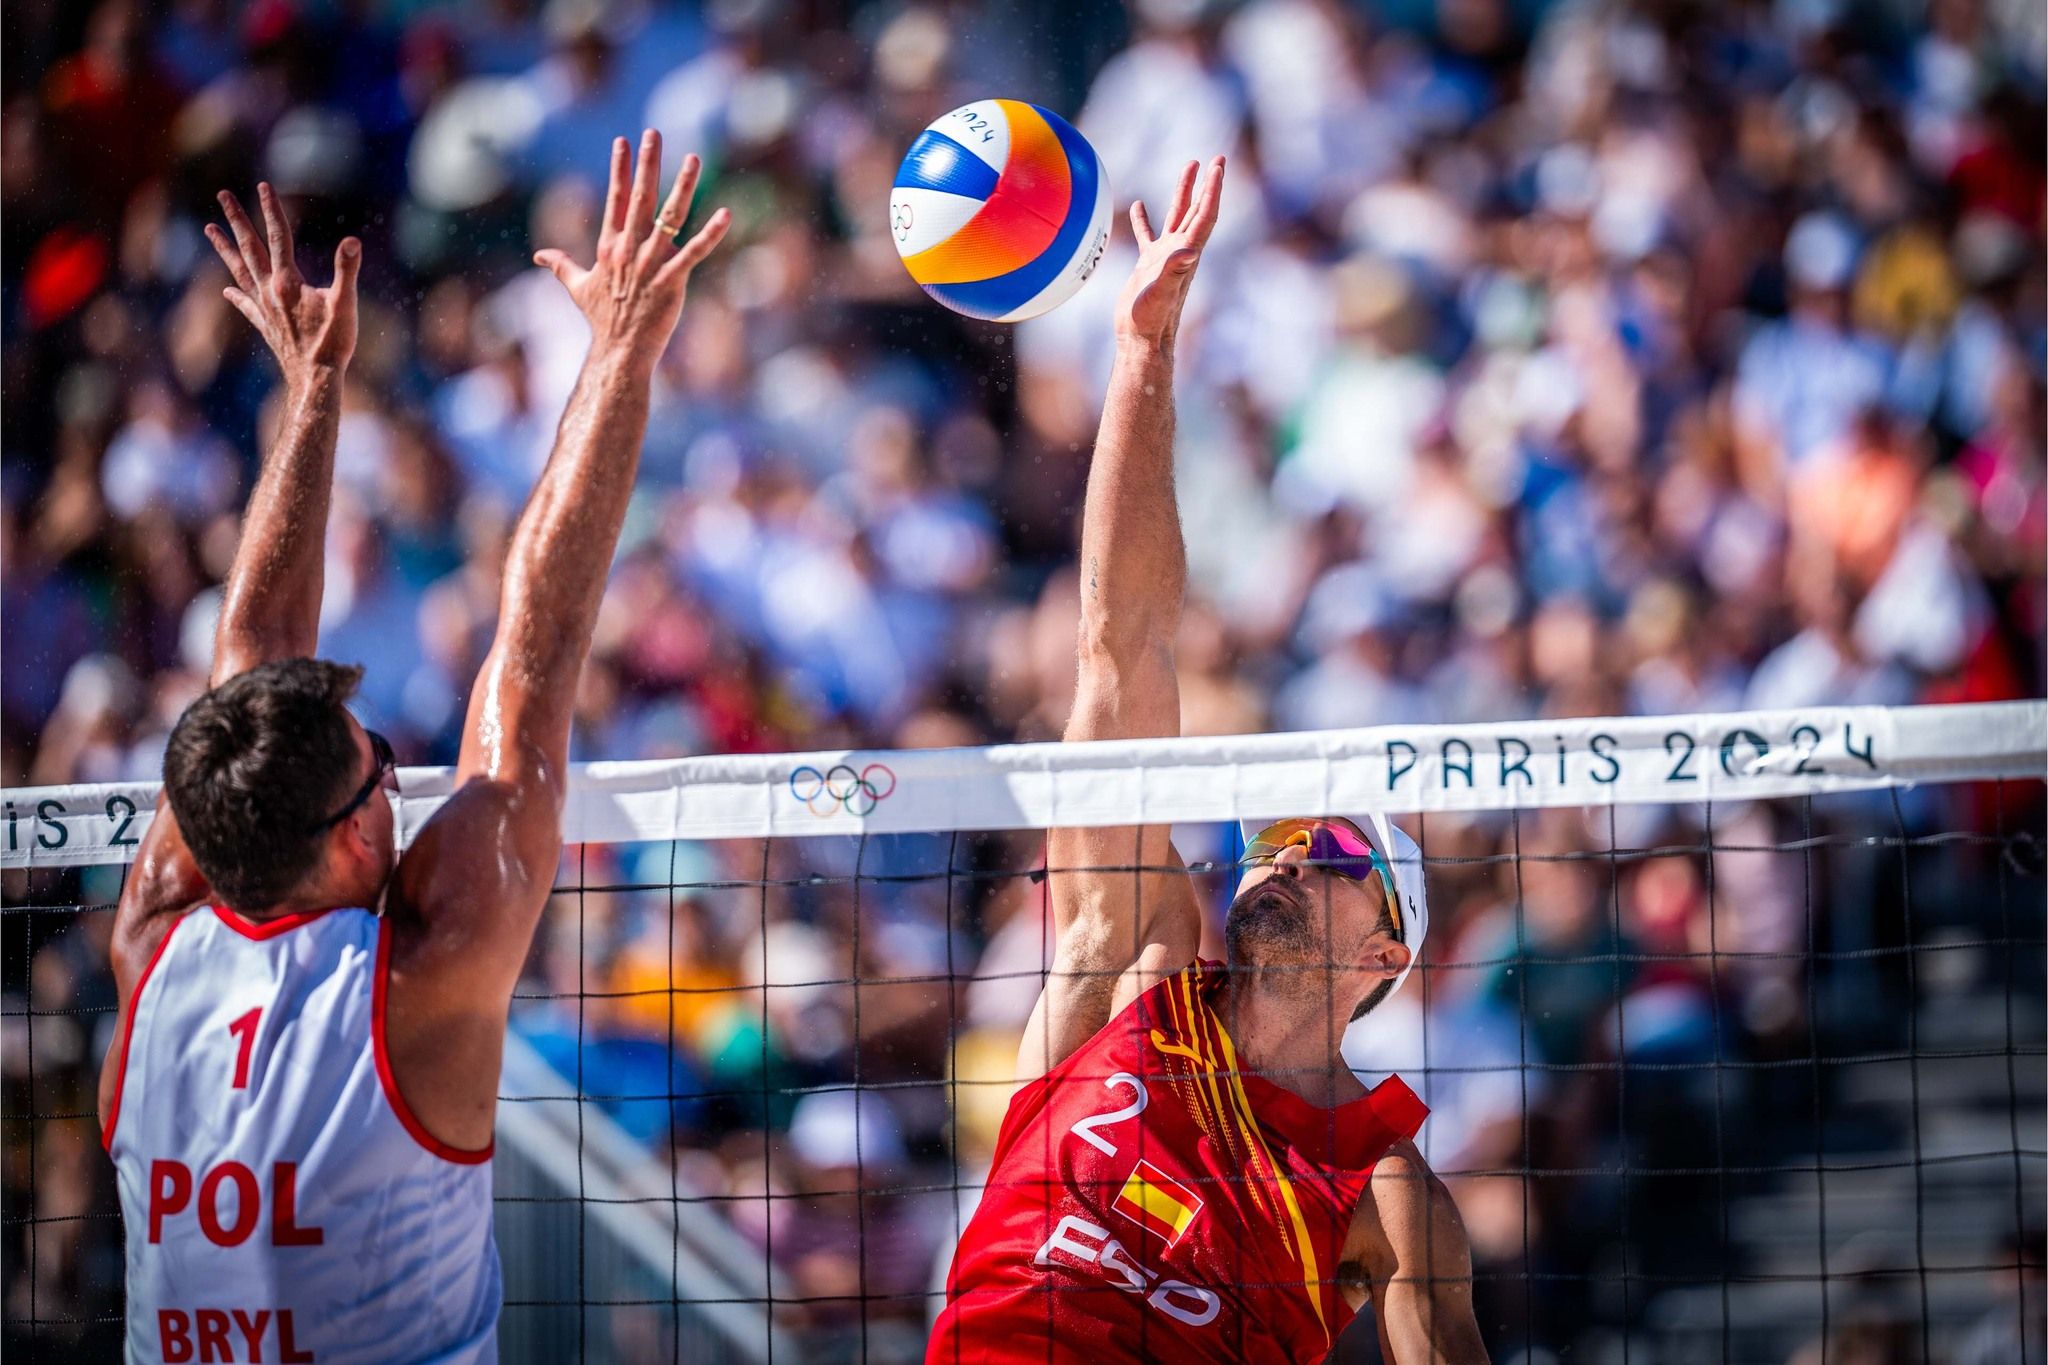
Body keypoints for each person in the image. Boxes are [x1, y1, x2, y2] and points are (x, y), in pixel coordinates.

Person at [96, 133, 729, 1362]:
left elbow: (249, 668)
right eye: (381, 770)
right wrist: (619, 356)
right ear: (344, 841)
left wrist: (315, 391)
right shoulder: (415, 986)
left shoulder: (152, 935)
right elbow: (536, 652)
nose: (400, 778)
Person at [927, 159, 1487, 1364]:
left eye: (1327, 849)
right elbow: (1118, 653)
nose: (1277, 855)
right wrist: (1142, 354)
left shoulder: (1381, 1186)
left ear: (1386, 952)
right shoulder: (1130, 981)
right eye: (1271, 837)